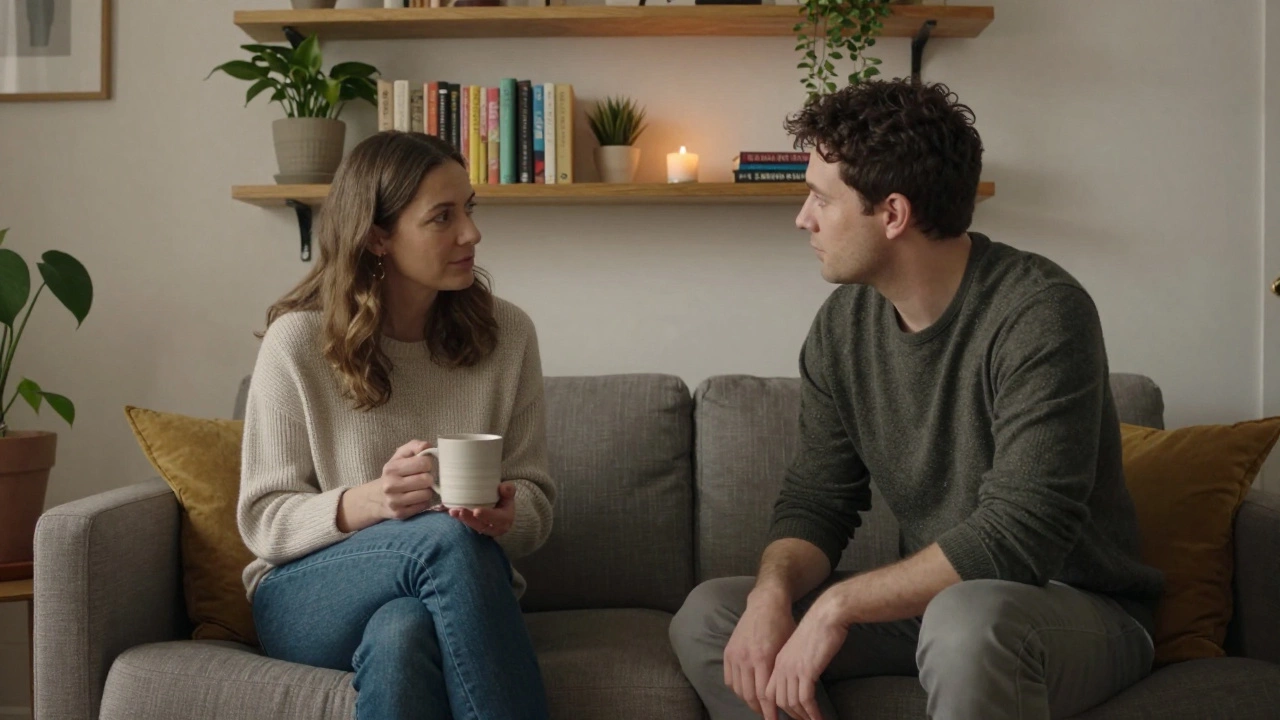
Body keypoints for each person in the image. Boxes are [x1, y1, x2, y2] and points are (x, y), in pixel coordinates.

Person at [669, 79, 1163, 720]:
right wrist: (772, 593)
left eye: (820, 197)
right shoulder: (842, 326)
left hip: (1077, 609)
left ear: (893, 214)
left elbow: (1020, 537)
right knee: (712, 615)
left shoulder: (1040, 311)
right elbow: (819, 500)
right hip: (943, 606)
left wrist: (837, 605)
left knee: (967, 618)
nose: (802, 218)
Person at [237, 130, 554, 720]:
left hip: (447, 592)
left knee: (402, 634)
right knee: (444, 539)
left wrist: (509, 513)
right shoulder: (299, 342)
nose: (471, 234)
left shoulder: (508, 336)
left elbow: (536, 500)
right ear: (378, 236)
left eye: (470, 209)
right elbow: (262, 519)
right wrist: (370, 501)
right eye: (442, 217)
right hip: (307, 594)